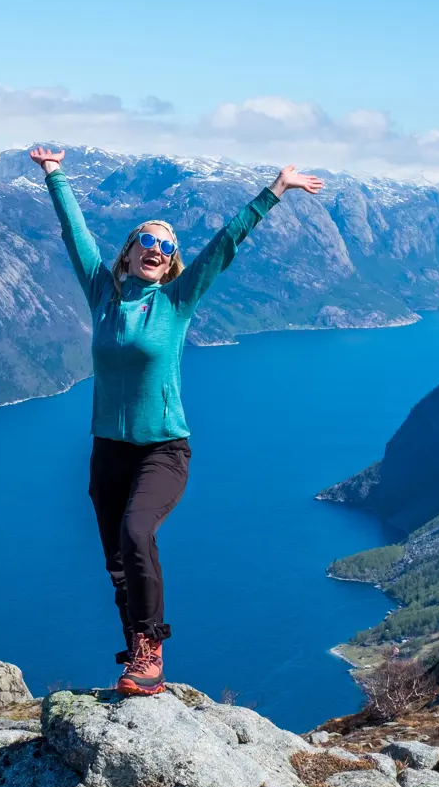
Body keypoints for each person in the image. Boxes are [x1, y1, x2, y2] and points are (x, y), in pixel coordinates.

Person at [30, 146, 324, 696]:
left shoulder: (177, 301)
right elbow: (75, 234)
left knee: (137, 532)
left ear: (171, 261)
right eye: (150, 241)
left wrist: (275, 190)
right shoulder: (103, 293)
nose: (159, 250)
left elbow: (223, 247)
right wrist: (55, 175)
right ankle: (137, 660)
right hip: (108, 450)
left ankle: (152, 647)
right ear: (130, 251)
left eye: (167, 246)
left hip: (164, 449)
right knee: (117, 560)